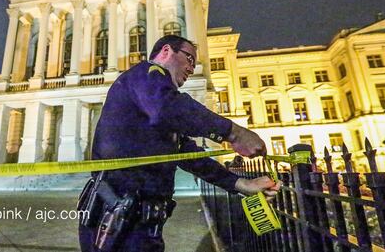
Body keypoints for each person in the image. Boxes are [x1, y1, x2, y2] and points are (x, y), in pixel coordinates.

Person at [78, 35, 281, 252]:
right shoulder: (147, 73)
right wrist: (234, 133)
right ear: (166, 51)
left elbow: (187, 154)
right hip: (116, 221)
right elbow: (168, 107)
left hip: (137, 223)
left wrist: (240, 184)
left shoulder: (153, 101)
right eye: (189, 59)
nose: (192, 68)